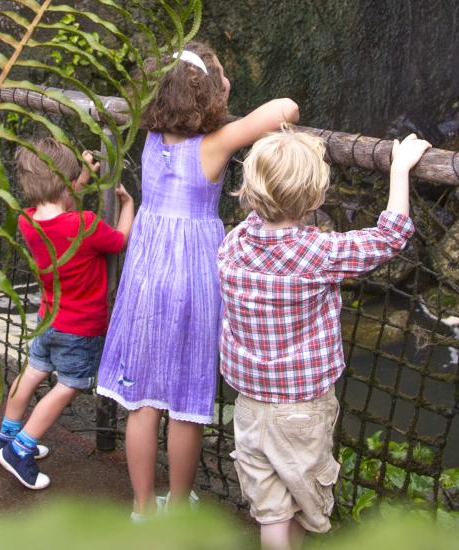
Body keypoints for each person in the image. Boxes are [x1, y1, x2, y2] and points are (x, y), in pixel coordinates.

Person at [95, 40, 301, 519]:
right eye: (221, 79)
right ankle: (180, 503)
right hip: (193, 278)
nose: (228, 83)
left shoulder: (150, 140)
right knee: (188, 399)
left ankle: (143, 508)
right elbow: (284, 108)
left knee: (142, 401)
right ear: (207, 95)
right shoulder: (216, 144)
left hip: (146, 273)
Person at [217, 129, 429, 550]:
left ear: (248, 192)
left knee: (272, 510)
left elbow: (262, 217)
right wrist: (399, 170)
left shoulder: (234, 243)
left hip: (249, 406)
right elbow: (389, 238)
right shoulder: (318, 253)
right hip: (302, 408)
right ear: (315, 199)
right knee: (303, 502)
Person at [0, 137, 135, 489]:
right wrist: (129, 205)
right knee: (68, 386)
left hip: (47, 320)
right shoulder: (86, 225)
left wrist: (81, 179)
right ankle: (21, 448)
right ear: (65, 182)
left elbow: (60, 206)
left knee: (31, 373)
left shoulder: (28, 220)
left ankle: (4, 438)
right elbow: (118, 240)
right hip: (79, 328)